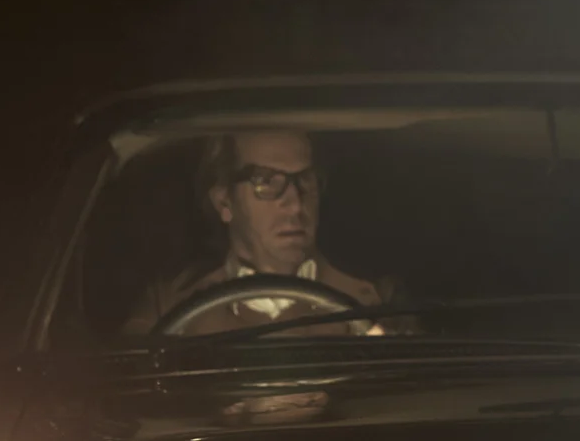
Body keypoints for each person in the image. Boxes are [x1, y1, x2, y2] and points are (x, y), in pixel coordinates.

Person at [123, 129, 387, 337]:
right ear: (224, 202)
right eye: (266, 181)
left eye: (305, 180)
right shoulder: (169, 307)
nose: (295, 205)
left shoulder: (375, 299)